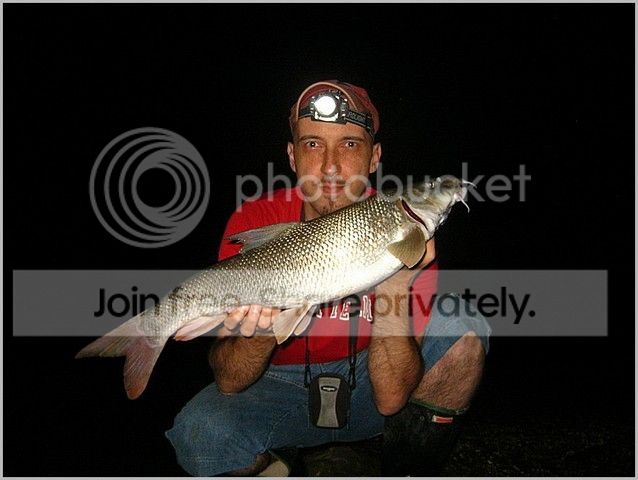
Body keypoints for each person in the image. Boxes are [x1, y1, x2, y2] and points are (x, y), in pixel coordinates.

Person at [165, 80, 491, 476]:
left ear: (374, 157)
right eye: (313, 144)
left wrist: (396, 282)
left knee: (461, 324)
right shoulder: (255, 219)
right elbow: (230, 381)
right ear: (292, 155)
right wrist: (264, 326)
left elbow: (390, 399)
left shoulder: (404, 230)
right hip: (279, 388)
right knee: (200, 434)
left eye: (350, 144)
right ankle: (284, 460)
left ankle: (402, 465)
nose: (331, 166)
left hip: (369, 379)